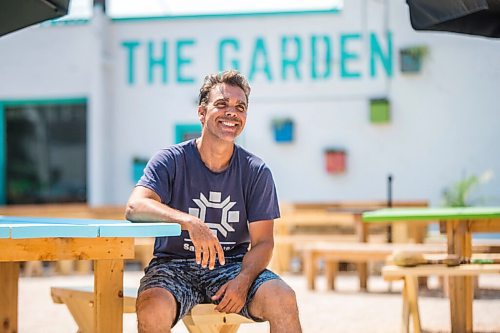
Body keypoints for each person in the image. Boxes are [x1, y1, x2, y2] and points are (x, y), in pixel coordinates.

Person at [125, 70, 302, 333]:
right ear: (201, 112)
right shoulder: (170, 160)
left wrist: (243, 281)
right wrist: (189, 222)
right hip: (174, 265)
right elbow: (135, 207)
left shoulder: (256, 171)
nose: (232, 112)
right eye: (221, 104)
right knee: (152, 308)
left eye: (239, 107)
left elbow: (264, 242)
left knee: (283, 298)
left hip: (232, 267)